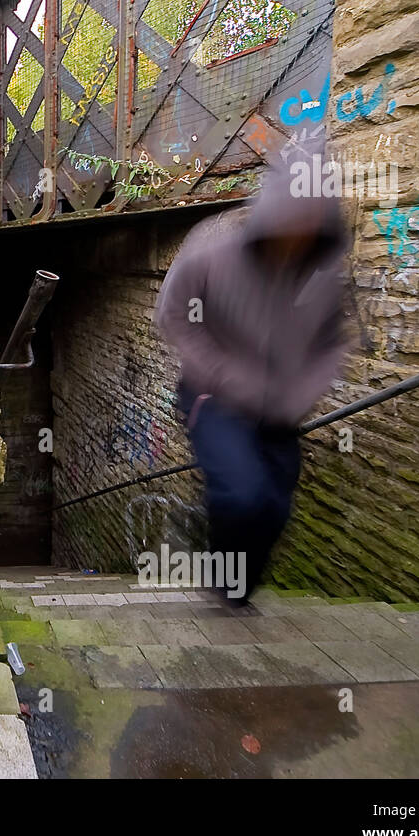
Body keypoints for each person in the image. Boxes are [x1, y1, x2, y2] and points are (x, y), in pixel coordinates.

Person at [153, 158, 349, 604]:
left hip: (280, 408)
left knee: (275, 505)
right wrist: (221, 372)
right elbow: (174, 313)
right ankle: (224, 581)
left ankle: (237, 588)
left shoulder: (324, 275)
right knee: (242, 492)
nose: (302, 227)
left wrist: (300, 393)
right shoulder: (212, 249)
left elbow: (332, 343)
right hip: (214, 397)